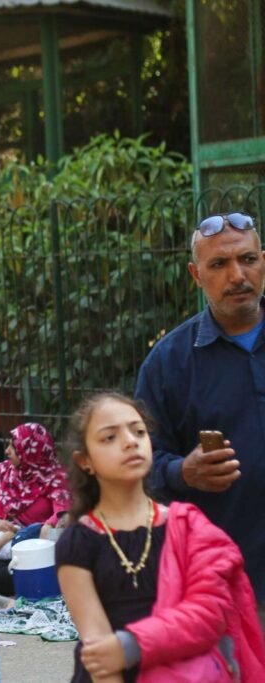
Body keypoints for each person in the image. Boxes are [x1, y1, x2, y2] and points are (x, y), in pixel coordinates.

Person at [56, 392, 265, 683]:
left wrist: (130, 646)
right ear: (85, 461)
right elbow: (99, 654)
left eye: (139, 431)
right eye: (109, 438)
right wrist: (116, 654)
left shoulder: (190, 526)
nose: (130, 441)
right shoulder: (77, 541)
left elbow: (208, 614)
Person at [133, 212, 265, 623]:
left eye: (248, 259)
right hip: (224, 583)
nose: (237, 275)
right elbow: (136, 464)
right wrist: (181, 472)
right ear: (196, 274)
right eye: (219, 265)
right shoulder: (168, 364)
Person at [0, 422, 72, 594]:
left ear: (32, 450)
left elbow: (62, 513)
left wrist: (47, 525)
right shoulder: (2, 472)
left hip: (32, 544)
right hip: (0, 543)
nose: (7, 451)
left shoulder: (55, 478)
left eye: (14, 447)